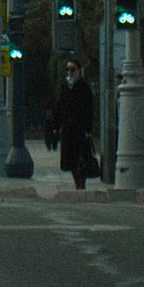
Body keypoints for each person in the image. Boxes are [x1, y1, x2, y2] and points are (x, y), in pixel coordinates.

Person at [52, 58, 96, 190]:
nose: (70, 72)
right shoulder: (65, 86)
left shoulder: (84, 87)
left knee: (81, 159)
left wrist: (88, 129)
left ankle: (82, 184)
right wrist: (57, 126)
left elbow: (89, 109)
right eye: (68, 69)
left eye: (72, 69)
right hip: (67, 129)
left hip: (80, 129)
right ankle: (77, 185)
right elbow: (60, 106)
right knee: (70, 160)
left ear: (79, 71)